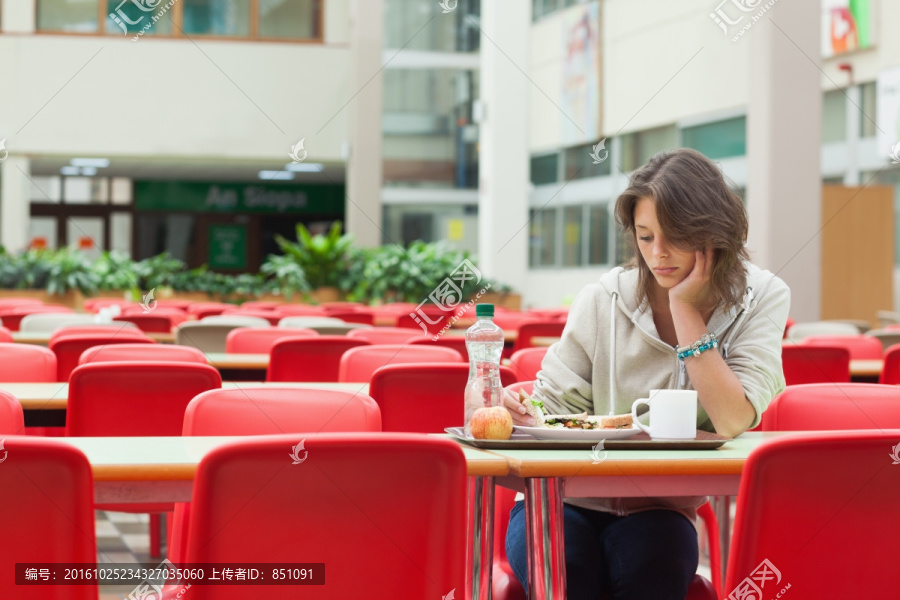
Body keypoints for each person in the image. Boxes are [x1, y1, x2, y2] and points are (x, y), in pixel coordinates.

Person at [503, 148, 790, 599]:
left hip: (661, 508)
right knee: (568, 571)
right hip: (562, 502)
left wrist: (685, 311)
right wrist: (522, 409)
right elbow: (552, 406)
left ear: (713, 232)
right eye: (644, 236)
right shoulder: (603, 298)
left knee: (650, 570)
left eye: (674, 237)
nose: (657, 255)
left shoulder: (763, 297)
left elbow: (735, 419)